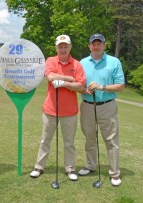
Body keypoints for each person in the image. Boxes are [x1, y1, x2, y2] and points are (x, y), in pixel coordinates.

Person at [30, 35, 85, 181]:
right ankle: (39, 167)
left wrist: (63, 83)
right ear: (56, 48)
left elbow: (80, 86)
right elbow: (50, 77)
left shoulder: (77, 65)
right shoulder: (51, 60)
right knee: (45, 140)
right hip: (51, 110)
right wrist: (70, 78)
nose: (63, 49)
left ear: (70, 47)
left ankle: (70, 169)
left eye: (65, 46)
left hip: (70, 112)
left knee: (69, 143)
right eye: (60, 46)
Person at [78, 33, 125, 186]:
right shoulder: (82, 63)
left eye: (99, 43)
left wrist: (101, 87)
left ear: (104, 45)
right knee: (89, 138)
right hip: (87, 106)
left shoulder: (114, 62)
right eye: (93, 43)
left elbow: (120, 86)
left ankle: (114, 173)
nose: (96, 46)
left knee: (111, 140)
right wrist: (85, 90)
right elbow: (78, 85)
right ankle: (91, 166)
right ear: (89, 46)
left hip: (107, 105)